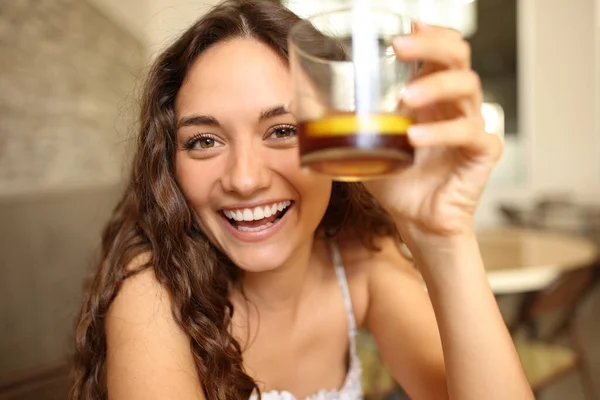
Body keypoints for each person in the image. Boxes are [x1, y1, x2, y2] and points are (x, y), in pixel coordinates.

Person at [71, 1, 533, 399]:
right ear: (169, 164)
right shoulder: (151, 293)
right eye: (205, 141)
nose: (245, 179)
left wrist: (444, 236)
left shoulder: (360, 264)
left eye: (284, 131)